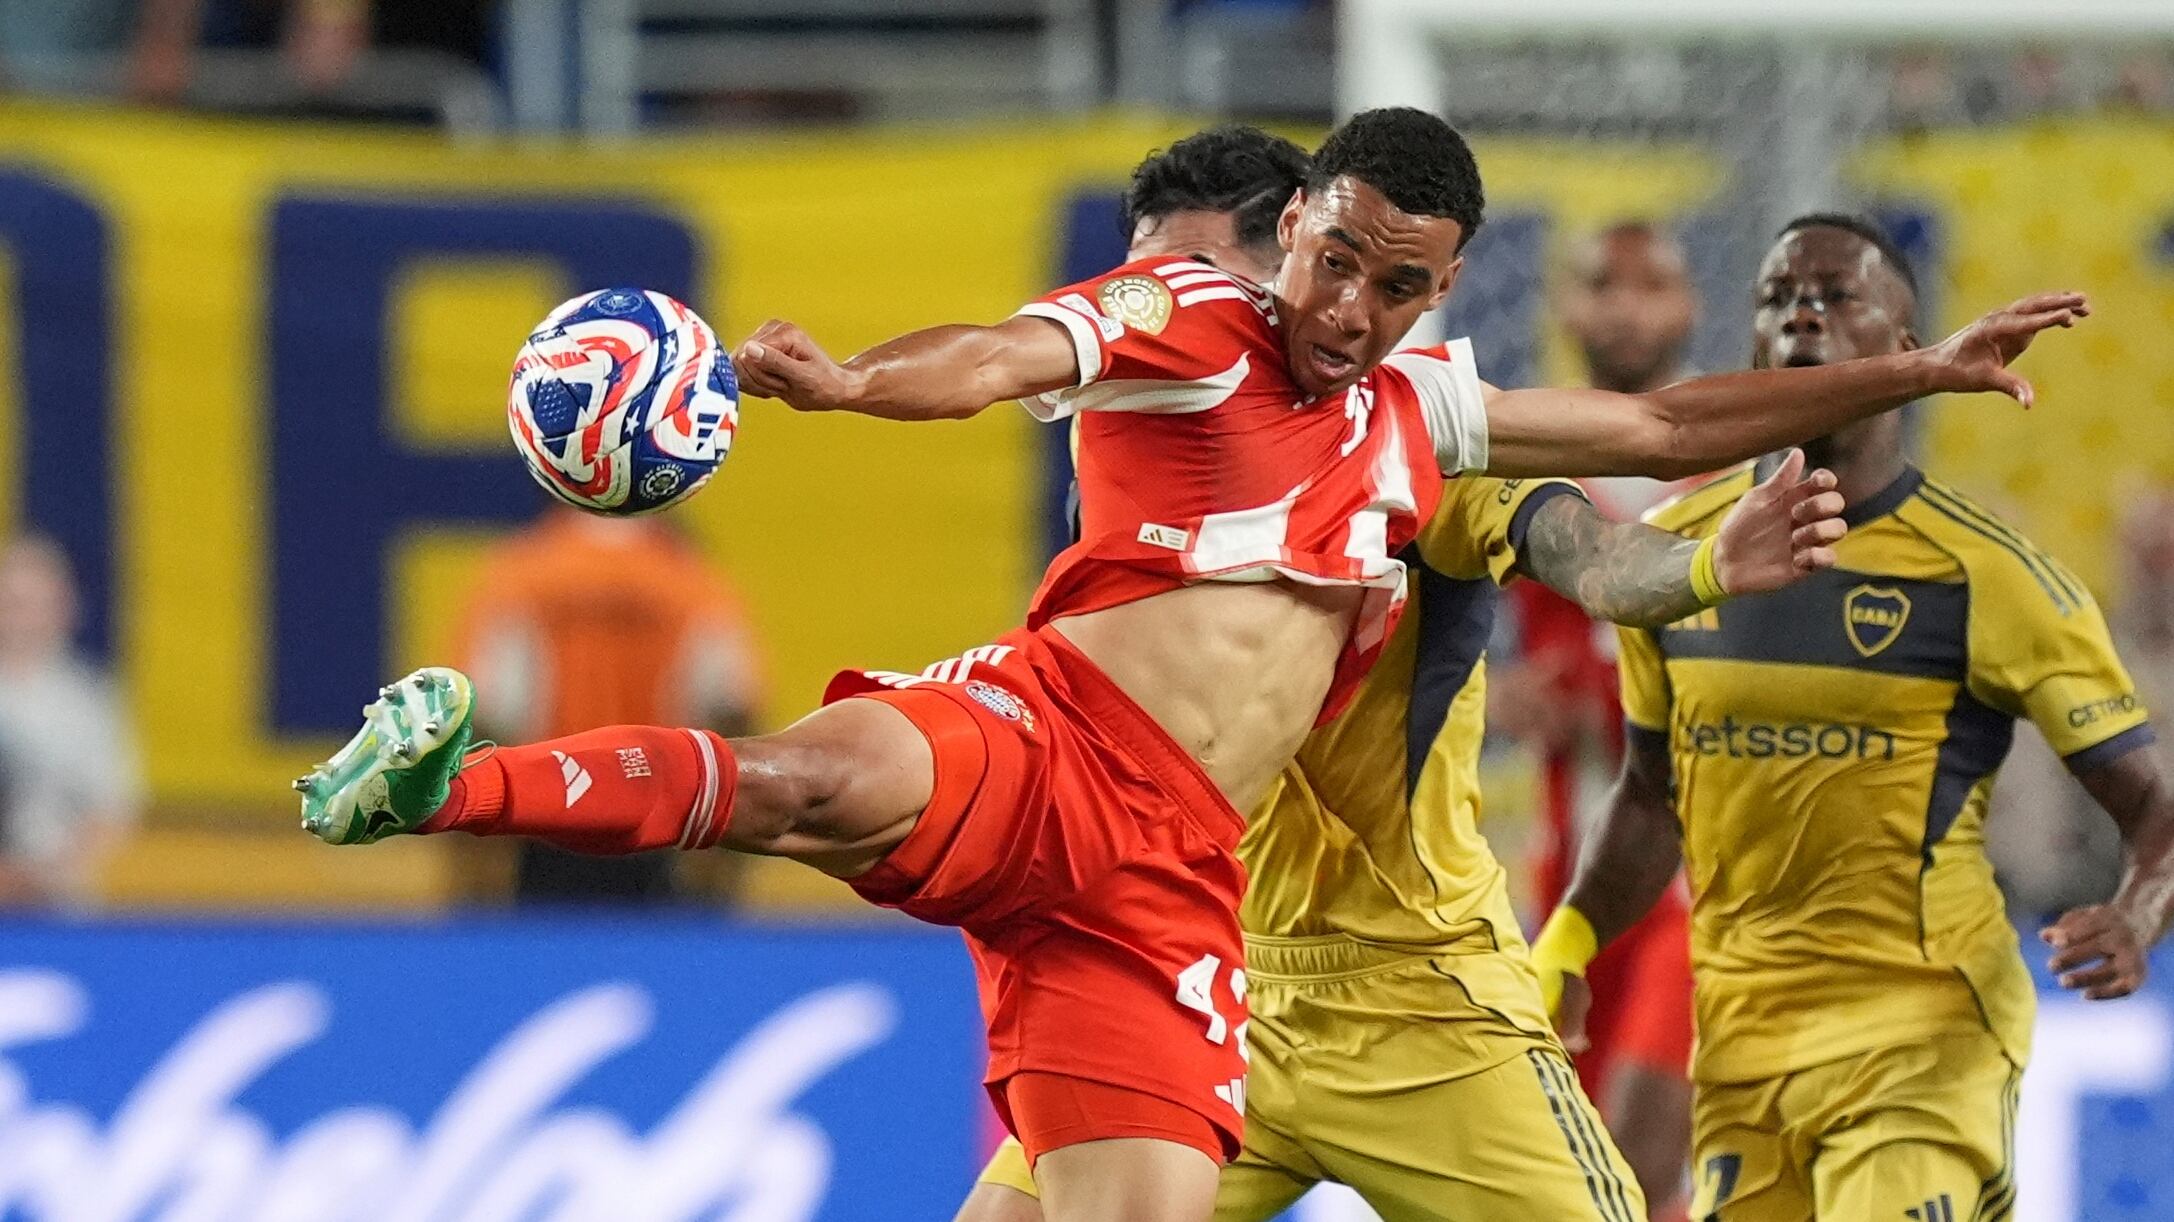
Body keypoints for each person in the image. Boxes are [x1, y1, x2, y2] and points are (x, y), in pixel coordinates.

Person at [297, 109, 2084, 1222]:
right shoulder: (1188, 319)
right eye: (1331, 260)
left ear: (1439, 289)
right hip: (1044, 735)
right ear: (1291, 228)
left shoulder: (1423, 423)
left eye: (1395, 286)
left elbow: (1654, 435)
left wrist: (1910, 375)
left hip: (1181, 901)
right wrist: (849, 383)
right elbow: (996, 357)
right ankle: (441, 780)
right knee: (804, 783)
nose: (1346, 308)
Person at [963, 132, 1745, 1222]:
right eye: (1140, 286)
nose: (1157, 319)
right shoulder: (1127, 474)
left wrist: (1701, 566)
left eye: (1194, 283)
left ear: (1289, 256)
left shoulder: (1428, 440)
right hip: (1200, 972)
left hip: (1418, 991)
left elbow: (1597, 552)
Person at [1534, 214, 2174, 1221]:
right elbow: (1652, 796)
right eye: (1778, 298)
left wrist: (2136, 914)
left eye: (1837, 297)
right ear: (1752, 346)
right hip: (1742, 1046)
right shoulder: (1671, 556)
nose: (1803, 314)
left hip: (1919, 1041)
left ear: (1905, 347)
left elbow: (2150, 807)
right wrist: (1567, 941)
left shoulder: (1989, 575)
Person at [1498, 220, 1704, 1217]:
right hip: (1572, 881)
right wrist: (1493, 697)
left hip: (1698, 881)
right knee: (1577, 1181)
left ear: (1688, 306)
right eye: (1601, 285)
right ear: (1567, 308)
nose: (1624, 308)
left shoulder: (1741, 472)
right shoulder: (1519, 458)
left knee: (1637, 1154)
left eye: (1648, 284)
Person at [450, 507, 763, 903]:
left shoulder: (524, 571)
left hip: (546, 822)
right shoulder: (687, 577)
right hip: (660, 826)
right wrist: (722, 853)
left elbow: (490, 712)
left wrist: (476, 857)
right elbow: (732, 703)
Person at [0, 534, 143, 908]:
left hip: (55, 903)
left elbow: (112, 808)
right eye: (10, 601)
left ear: (64, 607)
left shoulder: (88, 701)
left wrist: (43, 875)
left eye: (32, 604)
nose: (19, 617)